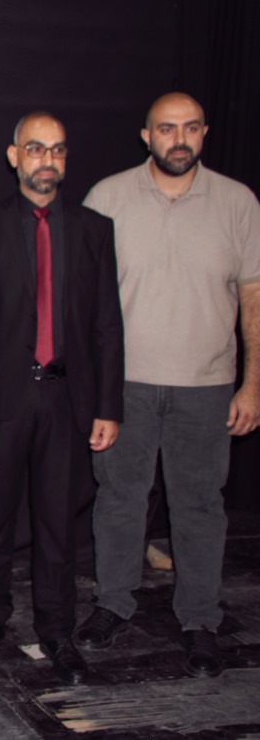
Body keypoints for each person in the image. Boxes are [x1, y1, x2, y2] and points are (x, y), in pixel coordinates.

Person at [79, 92, 260, 678]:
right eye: (166, 129)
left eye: (189, 128)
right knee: (118, 499)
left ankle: (201, 620)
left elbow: (254, 298)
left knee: (200, 507)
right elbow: (82, 298)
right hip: (124, 387)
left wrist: (253, 385)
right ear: (146, 135)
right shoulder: (107, 198)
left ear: (204, 133)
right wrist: (92, 388)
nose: (178, 139)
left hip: (206, 387)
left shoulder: (238, 203)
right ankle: (113, 603)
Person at [0, 112, 123, 685]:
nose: (47, 160)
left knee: (57, 525)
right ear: (14, 156)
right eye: (35, 149)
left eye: (57, 150)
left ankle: (57, 631)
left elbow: (107, 326)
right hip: (1, 399)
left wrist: (108, 406)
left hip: (67, 402)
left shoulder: (95, 230)